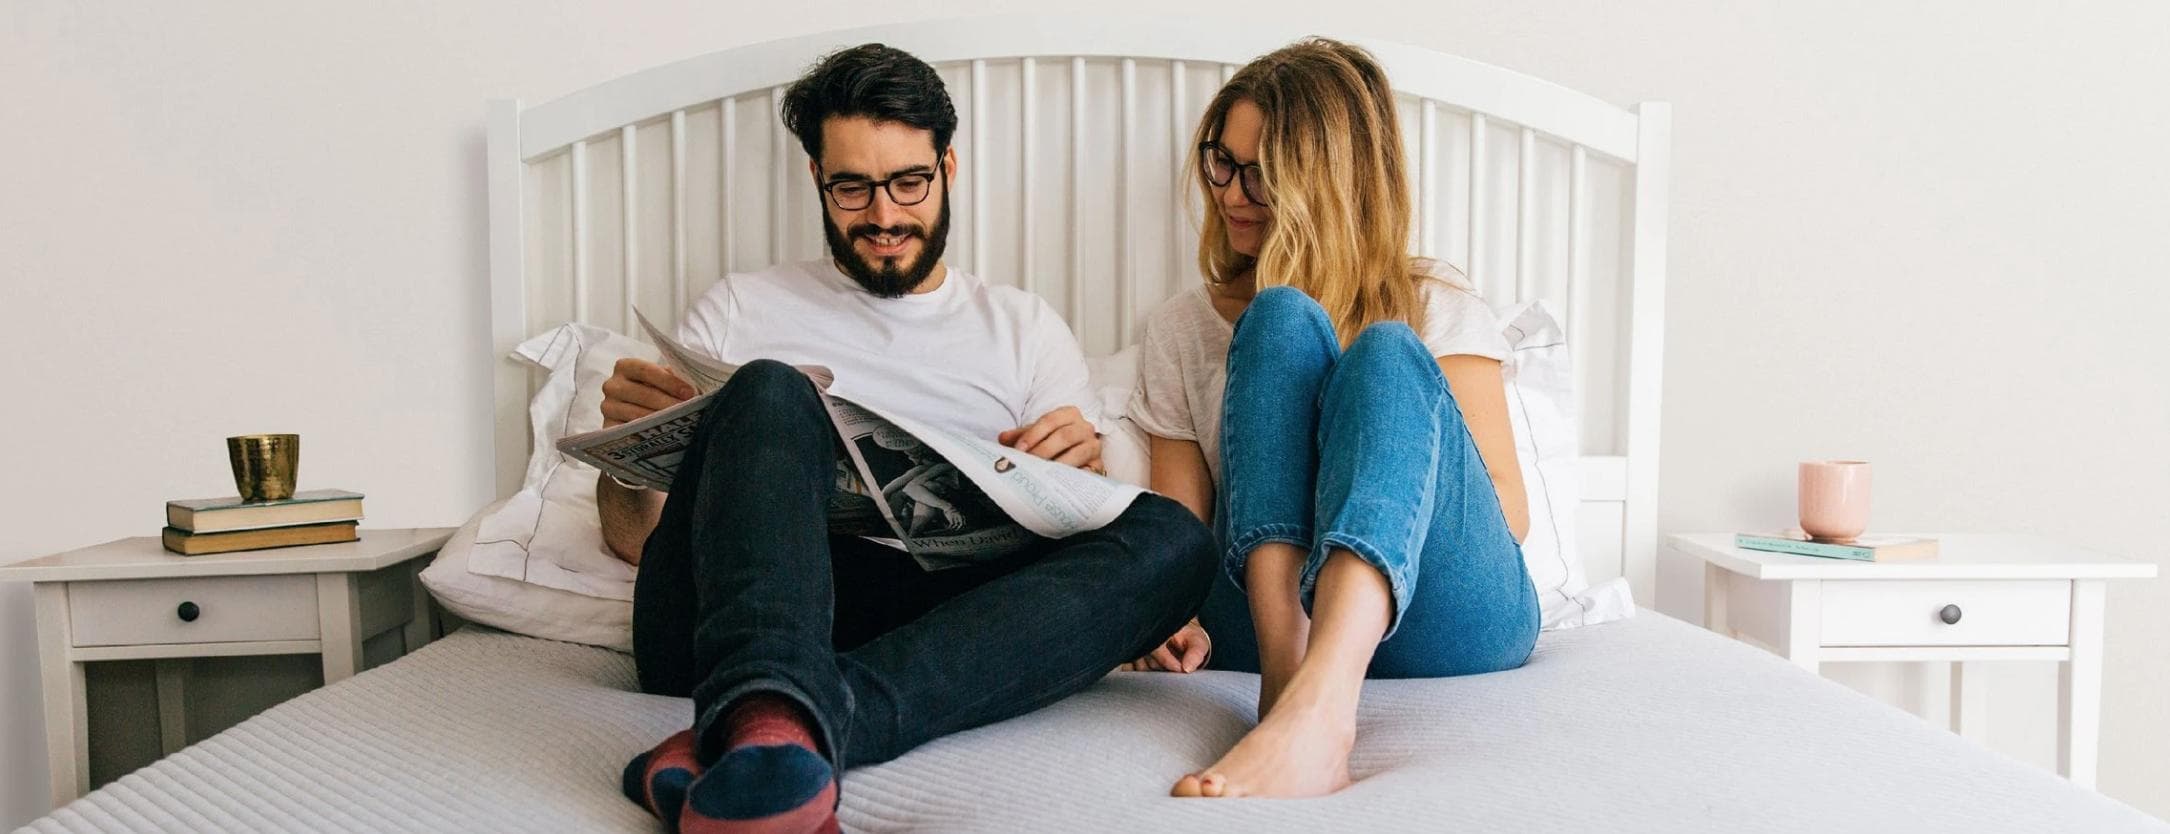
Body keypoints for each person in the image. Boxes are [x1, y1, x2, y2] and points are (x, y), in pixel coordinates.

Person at [597, 43, 1216, 833]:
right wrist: (630, 467)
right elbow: (632, 542)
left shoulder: (1023, 328)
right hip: (730, 615)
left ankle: (771, 728)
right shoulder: (737, 308)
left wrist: (1074, 475)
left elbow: (1073, 535)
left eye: (908, 183)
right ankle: (771, 700)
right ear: (818, 179)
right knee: (773, 387)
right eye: (852, 188)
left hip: (946, 620)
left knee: (1175, 541)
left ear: (948, 168)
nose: (884, 216)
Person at [1126, 38, 1542, 799]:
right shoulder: (1181, 329)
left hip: (1443, 615)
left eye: (1261, 175)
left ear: (1329, 185)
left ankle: (1321, 711)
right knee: (1279, 317)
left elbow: (1506, 513)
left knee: (1384, 351)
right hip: (1263, 619)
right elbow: (1180, 533)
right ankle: (1288, 695)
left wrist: (1369, 431)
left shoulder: (1436, 302)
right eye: (1221, 161)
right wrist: (1160, 619)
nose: (1230, 192)